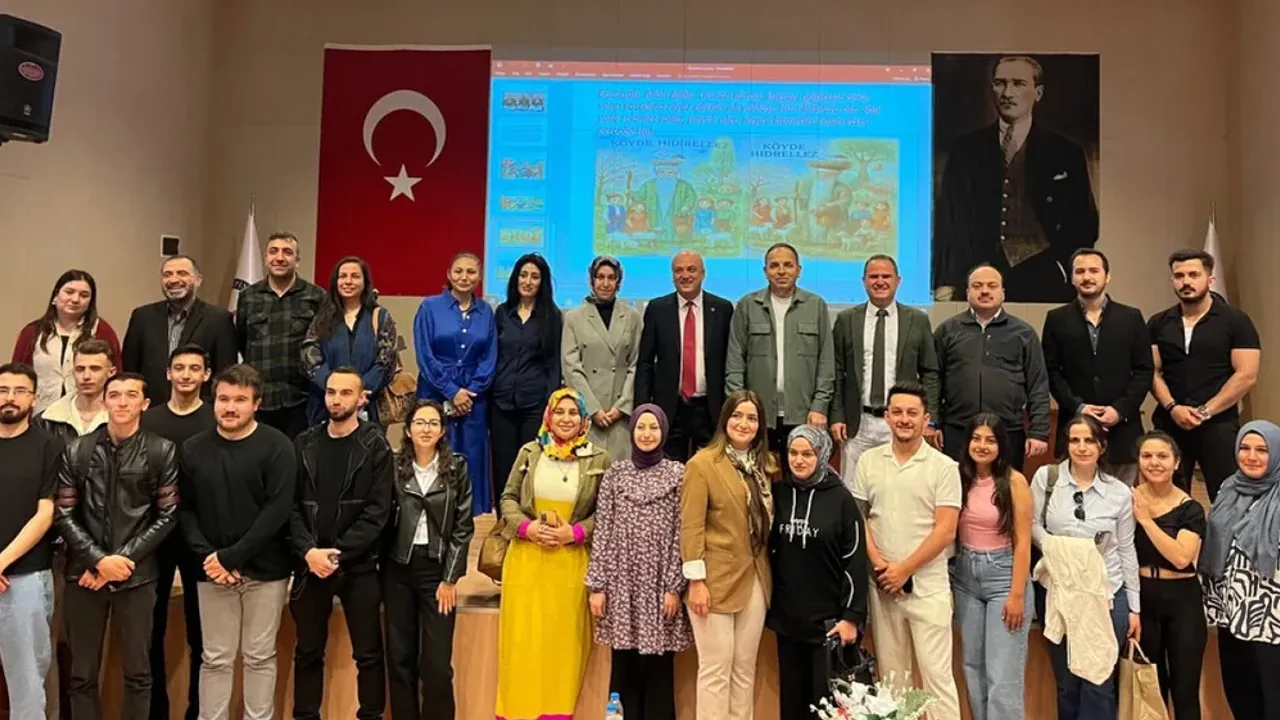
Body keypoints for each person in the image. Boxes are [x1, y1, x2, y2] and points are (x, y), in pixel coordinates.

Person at [54, 372, 180, 720]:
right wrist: (97, 561)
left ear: (145, 403)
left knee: (139, 674)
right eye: (115, 395)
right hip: (83, 576)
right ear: (104, 401)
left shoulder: (161, 450)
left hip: (137, 576)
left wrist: (119, 562)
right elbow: (63, 513)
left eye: (131, 395)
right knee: (81, 675)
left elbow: (168, 515)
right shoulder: (77, 450)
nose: (122, 402)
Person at [178, 364, 296, 720]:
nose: (230, 407)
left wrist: (231, 557)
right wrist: (211, 558)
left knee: (260, 657)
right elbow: (185, 510)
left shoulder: (278, 446)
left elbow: (277, 511)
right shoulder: (193, 449)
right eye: (224, 399)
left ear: (256, 404)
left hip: (266, 571)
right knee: (215, 658)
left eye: (240, 400)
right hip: (212, 572)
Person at [933, 55, 1098, 303]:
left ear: (1038, 93)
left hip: (1044, 277)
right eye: (1000, 83)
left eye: (1018, 84)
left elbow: (1084, 220)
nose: (1007, 93)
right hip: (977, 277)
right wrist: (946, 279)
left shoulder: (1065, 152)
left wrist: (1064, 268)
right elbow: (949, 219)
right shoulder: (966, 149)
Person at [495, 387, 607, 720]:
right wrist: (525, 527)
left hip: (571, 564)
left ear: (584, 419)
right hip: (526, 561)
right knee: (523, 644)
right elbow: (508, 498)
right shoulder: (529, 452)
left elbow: (606, 512)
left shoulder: (599, 459)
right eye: (560, 412)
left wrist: (575, 533)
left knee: (562, 648)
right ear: (548, 416)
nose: (566, 419)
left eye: (573, 413)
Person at [852, 381, 963, 720]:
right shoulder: (868, 461)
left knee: (937, 680)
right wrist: (881, 566)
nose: (904, 419)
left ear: (926, 420)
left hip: (928, 588)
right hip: (884, 587)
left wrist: (905, 569)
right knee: (893, 680)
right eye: (897, 412)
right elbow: (861, 519)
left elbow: (946, 530)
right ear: (886, 416)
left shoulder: (944, 467)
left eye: (912, 413)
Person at [289, 368, 393, 720]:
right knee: (307, 652)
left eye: (346, 393)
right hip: (310, 564)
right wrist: (308, 551)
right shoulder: (304, 443)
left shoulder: (375, 445)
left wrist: (337, 554)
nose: (336, 399)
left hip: (358, 566)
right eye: (331, 392)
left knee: (368, 654)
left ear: (362, 399)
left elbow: (378, 512)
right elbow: (290, 506)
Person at [1031, 413, 1140, 720]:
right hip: (1059, 591)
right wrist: (1060, 548)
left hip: (1107, 593)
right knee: (1067, 683)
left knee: (1099, 681)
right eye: (1074, 440)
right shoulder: (1047, 478)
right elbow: (1031, 524)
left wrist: (1134, 607)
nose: (1081, 447)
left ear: (1101, 446)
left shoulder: (1118, 492)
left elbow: (1126, 549)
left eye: (1089, 441)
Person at [586, 404, 692, 720]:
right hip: (622, 583)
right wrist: (597, 586)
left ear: (664, 432)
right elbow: (603, 530)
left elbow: (681, 533)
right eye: (641, 427)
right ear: (632, 431)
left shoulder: (678, 474)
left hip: (660, 585)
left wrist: (674, 587)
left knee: (659, 669)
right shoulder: (615, 474)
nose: (647, 434)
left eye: (653, 428)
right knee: (622, 666)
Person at [681, 389, 776, 720]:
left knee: (744, 669)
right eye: (737, 416)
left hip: (755, 578)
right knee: (715, 669)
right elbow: (691, 526)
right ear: (724, 420)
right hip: (714, 581)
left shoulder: (764, 466)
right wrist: (696, 582)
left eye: (752, 418)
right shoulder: (702, 464)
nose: (744, 424)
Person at [768, 425, 867, 720]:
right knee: (792, 706)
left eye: (807, 454)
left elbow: (855, 560)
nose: (799, 460)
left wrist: (851, 617)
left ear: (822, 455)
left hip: (829, 626)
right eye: (793, 453)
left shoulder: (841, 499)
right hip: (788, 622)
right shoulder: (779, 493)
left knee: (825, 709)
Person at [384, 400, 475, 720]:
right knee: (400, 659)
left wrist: (450, 578)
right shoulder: (393, 467)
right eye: (420, 423)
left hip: (437, 572)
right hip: (397, 570)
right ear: (408, 430)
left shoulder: (457, 468)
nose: (426, 429)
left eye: (433, 423)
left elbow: (463, 527)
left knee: (436, 665)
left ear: (442, 431)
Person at [140, 344, 215, 720]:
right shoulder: (148, 420)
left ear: (206, 375)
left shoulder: (216, 418)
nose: (186, 375)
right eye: (179, 368)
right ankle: (157, 712)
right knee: (150, 632)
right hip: (155, 538)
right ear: (168, 373)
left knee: (202, 635)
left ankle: (197, 712)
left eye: (194, 368)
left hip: (201, 538)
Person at [1149, 249, 1261, 502]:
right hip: (1171, 422)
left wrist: (1206, 411)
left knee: (1226, 499)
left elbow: (1246, 375)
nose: (1186, 282)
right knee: (1167, 500)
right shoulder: (1158, 323)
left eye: (1193, 275)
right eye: (1179, 276)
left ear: (1210, 279)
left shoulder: (1236, 321)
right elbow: (1151, 371)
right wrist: (1172, 407)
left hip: (1218, 425)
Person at [1042, 249, 1153, 485]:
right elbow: (1051, 372)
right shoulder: (1056, 319)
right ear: (1072, 278)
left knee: (1121, 501)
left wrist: (1120, 410)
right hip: (1075, 428)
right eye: (1080, 271)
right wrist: (1078, 406)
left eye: (1094, 270)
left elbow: (1144, 371)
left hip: (1122, 432)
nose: (1087, 277)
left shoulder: (1131, 317)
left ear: (1107, 276)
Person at [952, 413, 1033, 720]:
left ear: (1001, 446)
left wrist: (1016, 595)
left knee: (1002, 675)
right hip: (965, 578)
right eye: (976, 438)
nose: (982, 446)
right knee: (972, 668)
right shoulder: (958, 477)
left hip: (1004, 577)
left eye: (990, 440)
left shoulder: (1014, 482)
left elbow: (1023, 543)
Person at [831, 254, 939, 483]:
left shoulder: (917, 320)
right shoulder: (846, 320)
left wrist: (929, 419)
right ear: (864, 281)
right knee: (854, 489)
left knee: (901, 485)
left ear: (898, 281)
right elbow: (837, 372)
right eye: (873, 277)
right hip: (858, 423)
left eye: (886, 276)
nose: (880, 281)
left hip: (901, 421)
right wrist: (837, 416)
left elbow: (930, 373)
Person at [935, 264, 1050, 472]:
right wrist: (933, 422)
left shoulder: (1023, 333)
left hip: (1008, 432)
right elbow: (934, 379)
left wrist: (1039, 432)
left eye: (992, 286)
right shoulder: (947, 330)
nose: (985, 291)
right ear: (967, 292)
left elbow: (1038, 385)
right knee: (955, 487)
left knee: (1006, 488)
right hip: (957, 430)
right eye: (977, 286)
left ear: (1003, 293)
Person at [1201, 420, 1280, 718]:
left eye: (1262, 450)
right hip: (1231, 614)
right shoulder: (1228, 487)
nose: (1252, 456)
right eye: (1245, 448)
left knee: (1274, 700)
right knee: (1240, 695)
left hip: (1271, 620)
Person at [725, 243, 835, 453]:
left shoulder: (815, 305)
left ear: (799, 270)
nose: (781, 271)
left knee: (798, 469)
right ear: (765, 271)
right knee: (757, 470)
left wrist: (820, 406)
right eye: (774, 265)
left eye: (788, 265)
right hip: (757, 415)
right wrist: (739, 407)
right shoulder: (748, 305)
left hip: (804, 414)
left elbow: (826, 362)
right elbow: (735, 361)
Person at [0, 362, 63, 718]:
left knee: (26, 683)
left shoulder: (49, 446)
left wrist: (1, 561)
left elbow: (45, 514)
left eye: (20, 391)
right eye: (2, 390)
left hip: (25, 578)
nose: (10, 398)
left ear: (34, 398)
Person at [414, 252, 497, 515]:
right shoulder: (429, 307)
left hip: (473, 400)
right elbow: (425, 355)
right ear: (449, 274)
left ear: (479, 277)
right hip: (434, 393)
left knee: (471, 458)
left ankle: (465, 520)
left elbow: (489, 358)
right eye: (459, 271)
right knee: (434, 452)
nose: (464, 277)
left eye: (471, 272)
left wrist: (469, 392)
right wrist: (451, 391)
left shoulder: (486, 311)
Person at [1132, 431, 1206, 720]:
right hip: (1142, 598)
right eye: (1147, 456)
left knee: (1185, 690)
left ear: (1176, 463)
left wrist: (1146, 521)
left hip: (1182, 600)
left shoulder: (1190, 508)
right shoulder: (1127, 499)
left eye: (1162, 456)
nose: (1154, 462)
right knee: (1151, 689)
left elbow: (1181, 557)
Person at [635, 250, 734, 462]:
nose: (685, 275)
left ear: (703, 274)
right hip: (670, 409)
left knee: (710, 469)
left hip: (710, 408)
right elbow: (645, 363)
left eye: (691, 269)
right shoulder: (657, 309)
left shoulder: (723, 309)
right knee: (669, 470)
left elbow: (731, 360)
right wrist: (642, 408)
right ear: (672, 275)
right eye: (679, 270)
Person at [234, 231, 327, 440]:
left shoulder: (316, 296)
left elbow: (323, 344)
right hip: (259, 399)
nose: (280, 257)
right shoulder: (248, 297)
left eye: (287, 252)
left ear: (297, 260)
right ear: (266, 257)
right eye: (273, 251)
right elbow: (242, 341)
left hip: (302, 401)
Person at [491, 253, 562, 505]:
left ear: (542, 282)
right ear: (515, 278)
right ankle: (504, 520)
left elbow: (554, 365)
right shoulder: (502, 313)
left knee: (530, 467)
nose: (528, 281)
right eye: (523, 275)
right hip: (501, 403)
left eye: (535, 276)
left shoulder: (552, 316)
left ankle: (526, 521)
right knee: (502, 467)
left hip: (534, 405)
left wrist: (550, 405)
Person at [121, 254, 238, 406]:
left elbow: (225, 374)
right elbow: (130, 370)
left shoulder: (219, 319)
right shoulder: (142, 317)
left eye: (182, 273)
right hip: (150, 409)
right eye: (167, 274)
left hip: (199, 411)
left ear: (198, 280)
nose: (174, 280)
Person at [301, 255, 400, 426]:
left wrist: (358, 393)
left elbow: (386, 361)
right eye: (343, 276)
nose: (348, 281)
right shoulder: (322, 317)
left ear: (365, 282)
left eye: (355, 276)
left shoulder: (380, 317)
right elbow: (309, 354)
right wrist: (334, 391)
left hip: (368, 405)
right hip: (325, 407)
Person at [563, 255, 643, 461]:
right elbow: (571, 368)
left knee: (619, 473)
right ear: (592, 280)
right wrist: (593, 409)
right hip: (587, 415)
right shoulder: (573, 317)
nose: (605, 283)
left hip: (620, 415)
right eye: (600, 277)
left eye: (611, 278)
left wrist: (621, 407)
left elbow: (636, 364)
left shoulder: (633, 317)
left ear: (618, 282)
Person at [13, 269, 121, 413]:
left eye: (84, 295)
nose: (75, 299)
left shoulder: (103, 332)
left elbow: (116, 379)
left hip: (89, 415)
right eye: (69, 292)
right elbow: (16, 377)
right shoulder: (32, 332)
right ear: (56, 295)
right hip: (39, 415)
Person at [34, 337, 114, 442]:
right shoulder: (45, 422)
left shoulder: (124, 419)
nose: (86, 376)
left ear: (111, 372)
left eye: (95, 369)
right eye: (80, 369)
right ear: (73, 372)